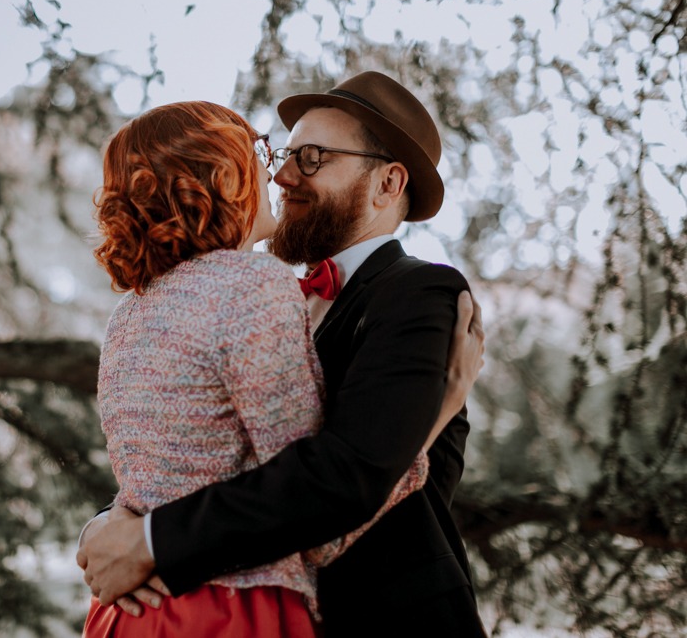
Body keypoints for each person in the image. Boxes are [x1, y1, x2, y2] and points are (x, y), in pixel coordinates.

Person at [78, 72, 489, 636]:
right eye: (285, 155)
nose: (283, 175)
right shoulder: (252, 293)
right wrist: (108, 527)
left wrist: (154, 542)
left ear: (388, 183)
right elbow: (195, 455)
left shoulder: (418, 294)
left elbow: (354, 477)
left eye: (313, 157)